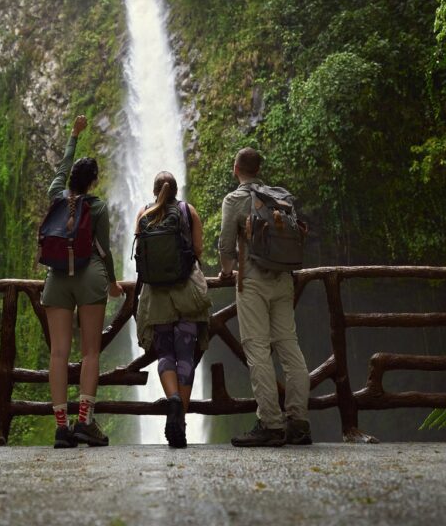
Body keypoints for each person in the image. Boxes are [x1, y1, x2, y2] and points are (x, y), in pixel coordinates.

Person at [218, 147, 312, 447]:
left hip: (253, 281)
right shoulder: (280, 197)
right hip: (284, 279)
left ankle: (271, 424)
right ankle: (298, 422)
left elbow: (225, 245)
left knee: (257, 349)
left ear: (236, 169)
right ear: (259, 169)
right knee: (289, 347)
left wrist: (226, 271)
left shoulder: (235, 200)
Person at [42, 115, 121, 448]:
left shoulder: (56, 194)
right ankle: (84, 423)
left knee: (58, 353)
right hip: (90, 279)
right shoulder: (98, 207)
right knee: (90, 353)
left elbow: (61, 168)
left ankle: (61, 428)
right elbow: (103, 250)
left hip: (57, 279)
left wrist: (73, 136)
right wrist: (114, 283)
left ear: (71, 178)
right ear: (94, 181)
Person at [133, 171, 212, 448]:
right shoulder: (188, 211)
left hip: (157, 298)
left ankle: (173, 400)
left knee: (165, 352)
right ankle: (182, 422)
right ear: (177, 190)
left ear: (155, 190)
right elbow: (199, 250)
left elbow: (139, 255)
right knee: (186, 355)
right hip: (187, 294)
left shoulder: (144, 212)